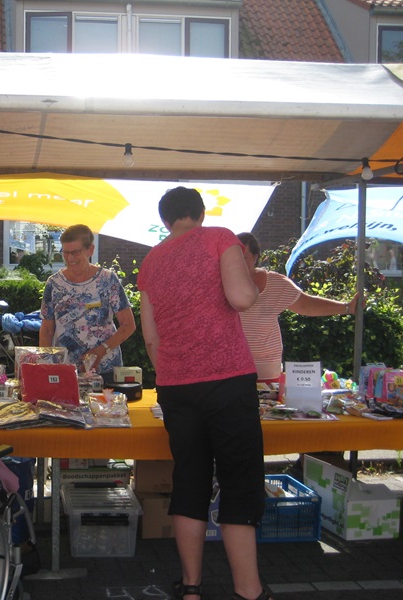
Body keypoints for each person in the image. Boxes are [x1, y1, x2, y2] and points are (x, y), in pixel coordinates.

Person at [138, 187, 269, 600]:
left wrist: (174, 372)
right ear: (200, 212)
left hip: (177, 388)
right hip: (227, 380)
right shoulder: (218, 237)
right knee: (238, 483)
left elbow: (151, 336)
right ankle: (248, 591)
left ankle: (191, 586)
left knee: (190, 482)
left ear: (165, 221)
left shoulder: (151, 260)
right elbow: (243, 297)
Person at [237, 232, 361, 383]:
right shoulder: (220, 283)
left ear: (255, 258)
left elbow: (307, 305)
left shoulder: (275, 283)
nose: (239, 263)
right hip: (232, 366)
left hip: (267, 369)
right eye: (235, 257)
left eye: (244, 258)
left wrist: (347, 307)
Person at [39, 224, 136, 378]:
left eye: (75, 253)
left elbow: (129, 325)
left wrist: (101, 350)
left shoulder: (107, 280)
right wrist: (44, 367)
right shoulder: (54, 283)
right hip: (66, 371)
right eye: (66, 253)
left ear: (90, 250)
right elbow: (46, 330)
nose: (70, 259)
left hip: (106, 370)